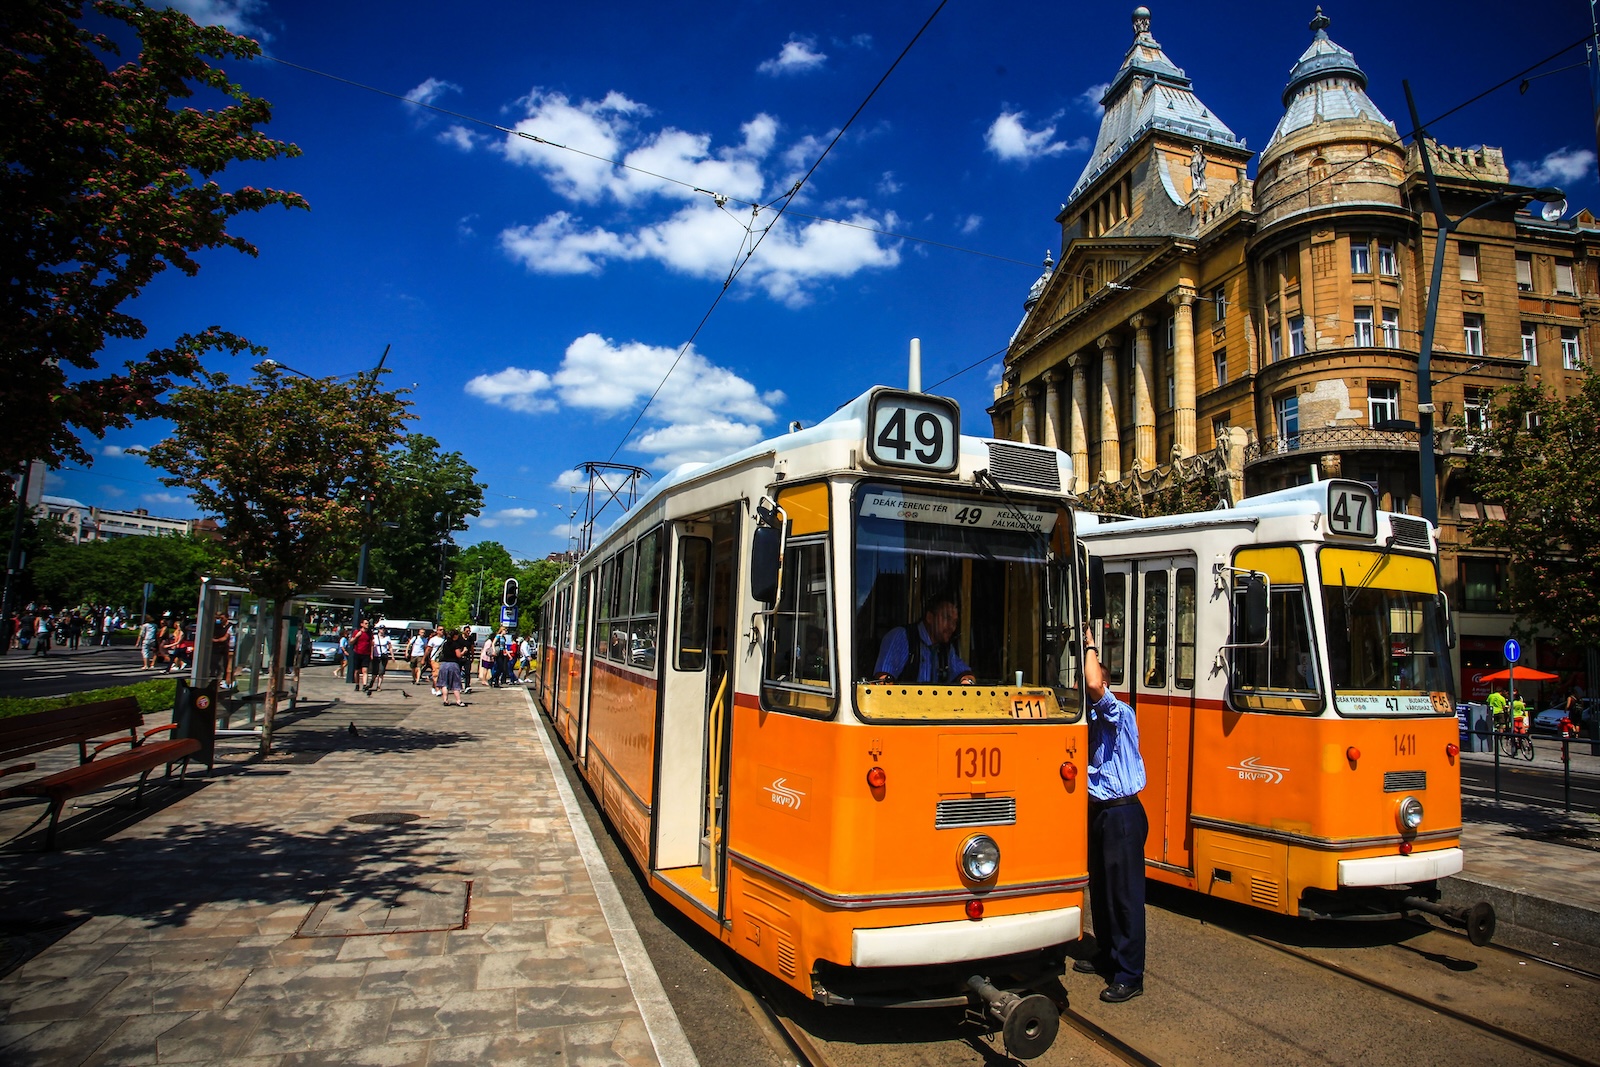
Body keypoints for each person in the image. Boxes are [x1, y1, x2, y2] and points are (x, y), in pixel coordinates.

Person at [1073, 644, 1148, 1004]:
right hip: (1100, 810)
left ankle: (1130, 974)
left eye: (1093, 682)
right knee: (1102, 891)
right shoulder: (1089, 719)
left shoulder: (1120, 713)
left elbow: (1091, 683)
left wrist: (1088, 642)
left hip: (1123, 813)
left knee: (1125, 897)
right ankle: (1106, 953)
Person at [873, 596, 976, 685]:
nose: (952, 627)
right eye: (947, 618)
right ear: (930, 617)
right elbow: (882, 680)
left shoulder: (946, 649)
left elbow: (964, 673)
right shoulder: (902, 636)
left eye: (955, 622)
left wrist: (968, 682)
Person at [436, 627, 468, 706]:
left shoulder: (445, 643)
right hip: (453, 664)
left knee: (444, 684)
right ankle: (458, 700)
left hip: (444, 664)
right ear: (455, 636)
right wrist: (464, 651)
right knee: (455, 683)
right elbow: (458, 655)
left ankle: (445, 700)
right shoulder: (455, 644)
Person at [348, 619, 374, 689]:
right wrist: (357, 636)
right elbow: (351, 642)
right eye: (365, 623)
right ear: (361, 624)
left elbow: (372, 644)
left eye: (368, 623)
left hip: (366, 654)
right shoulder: (357, 632)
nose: (367, 625)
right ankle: (357, 684)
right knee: (357, 671)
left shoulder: (370, 633)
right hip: (358, 653)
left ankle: (364, 685)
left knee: (365, 670)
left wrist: (371, 654)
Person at [367, 626, 392, 693]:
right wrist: (371, 654)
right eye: (381, 629)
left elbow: (390, 647)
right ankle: (372, 682)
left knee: (381, 672)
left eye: (383, 629)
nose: (382, 630)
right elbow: (372, 646)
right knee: (374, 672)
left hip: (383, 656)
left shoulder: (387, 638)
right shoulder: (374, 637)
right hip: (376, 656)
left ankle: (378, 686)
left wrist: (392, 656)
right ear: (379, 630)